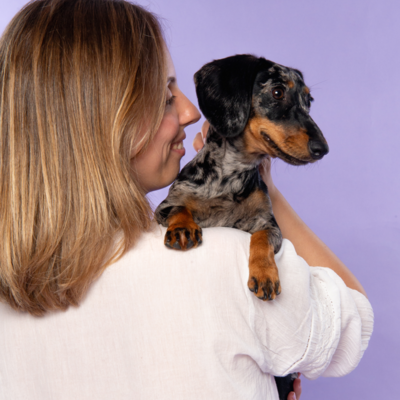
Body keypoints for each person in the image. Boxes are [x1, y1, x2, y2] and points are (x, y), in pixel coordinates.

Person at [0, 1, 373, 400]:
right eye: (166, 96)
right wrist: (263, 187)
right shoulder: (232, 262)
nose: (191, 111)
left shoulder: (11, 291)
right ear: (101, 120)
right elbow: (355, 325)